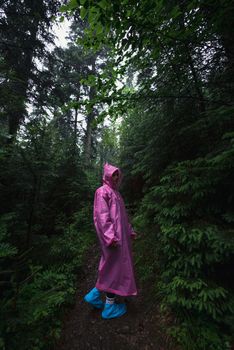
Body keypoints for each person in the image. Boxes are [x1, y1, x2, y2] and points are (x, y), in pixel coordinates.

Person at [84, 162, 137, 319]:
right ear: (107, 175)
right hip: (113, 240)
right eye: (113, 174)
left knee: (111, 269)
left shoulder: (116, 194)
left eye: (117, 175)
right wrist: (110, 237)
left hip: (120, 239)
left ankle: (94, 295)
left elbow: (122, 217)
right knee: (113, 270)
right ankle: (109, 307)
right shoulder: (102, 192)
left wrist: (130, 231)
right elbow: (102, 217)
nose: (115, 177)